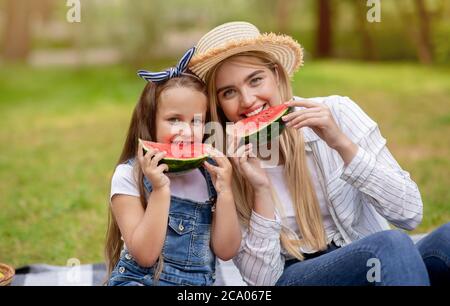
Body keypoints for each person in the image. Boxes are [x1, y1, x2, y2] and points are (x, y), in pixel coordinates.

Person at [188, 21, 450, 286]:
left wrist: (342, 144)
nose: (247, 100)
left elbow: (410, 213)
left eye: (255, 80)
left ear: (277, 76)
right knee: (390, 246)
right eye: (229, 92)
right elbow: (263, 283)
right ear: (218, 104)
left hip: (371, 264)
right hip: (296, 275)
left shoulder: (337, 112)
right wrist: (260, 189)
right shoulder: (222, 165)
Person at [105, 48, 241, 286]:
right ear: (149, 121)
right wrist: (159, 190)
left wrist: (225, 193)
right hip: (140, 280)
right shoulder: (128, 175)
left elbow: (226, 250)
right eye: (174, 119)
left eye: (196, 121)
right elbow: (145, 256)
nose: (186, 131)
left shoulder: (209, 174)